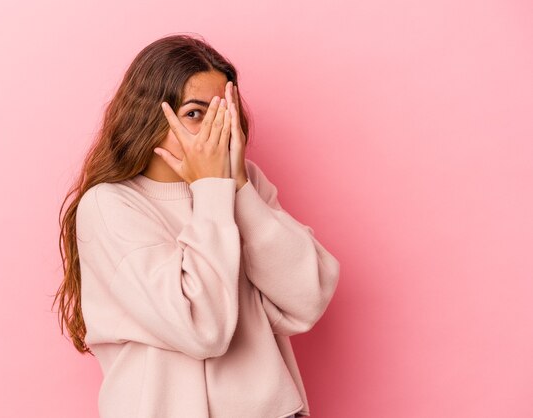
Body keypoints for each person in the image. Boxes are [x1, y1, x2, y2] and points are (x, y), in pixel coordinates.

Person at [53, 33, 340, 418]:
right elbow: (203, 329)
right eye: (195, 113)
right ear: (150, 116)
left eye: (225, 113)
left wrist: (236, 187)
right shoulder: (111, 204)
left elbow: (308, 298)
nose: (215, 131)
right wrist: (212, 191)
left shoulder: (245, 183)